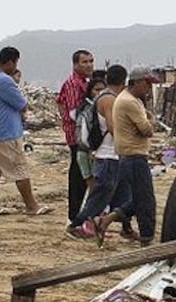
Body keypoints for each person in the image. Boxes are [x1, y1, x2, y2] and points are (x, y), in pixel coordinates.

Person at [0, 46, 51, 216]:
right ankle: (31, 206)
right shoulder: (4, 80)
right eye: (16, 62)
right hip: (6, 132)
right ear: (11, 61)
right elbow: (22, 104)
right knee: (19, 168)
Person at [95, 65, 159, 247]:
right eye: (147, 84)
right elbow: (147, 129)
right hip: (133, 157)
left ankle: (106, 221)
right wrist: (151, 120)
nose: (148, 88)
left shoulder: (130, 99)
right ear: (137, 82)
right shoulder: (129, 102)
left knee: (138, 198)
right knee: (146, 201)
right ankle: (147, 239)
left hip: (129, 156)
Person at [66, 65, 125, 241]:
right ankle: (77, 224)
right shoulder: (109, 99)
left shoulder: (104, 97)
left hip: (107, 155)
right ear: (123, 81)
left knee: (116, 195)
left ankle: (119, 226)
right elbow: (113, 128)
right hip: (108, 155)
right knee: (99, 197)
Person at [56, 49, 95, 223]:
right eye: (84, 62)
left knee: (85, 177)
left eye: (90, 61)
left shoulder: (86, 83)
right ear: (75, 64)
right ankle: (74, 218)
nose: (88, 65)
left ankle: (81, 216)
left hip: (84, 138)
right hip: (77, 138)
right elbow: (73, 113)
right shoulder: (73, 83)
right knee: (78, 178)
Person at [75, 77, 108, 197]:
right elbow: (81, 134)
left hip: (96, 152)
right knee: (93, 188)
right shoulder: (87, 109)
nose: (100, 93)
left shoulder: (102, 106)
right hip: (87, 152)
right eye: (97, 90)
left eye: (103, 90)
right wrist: (90, 149)